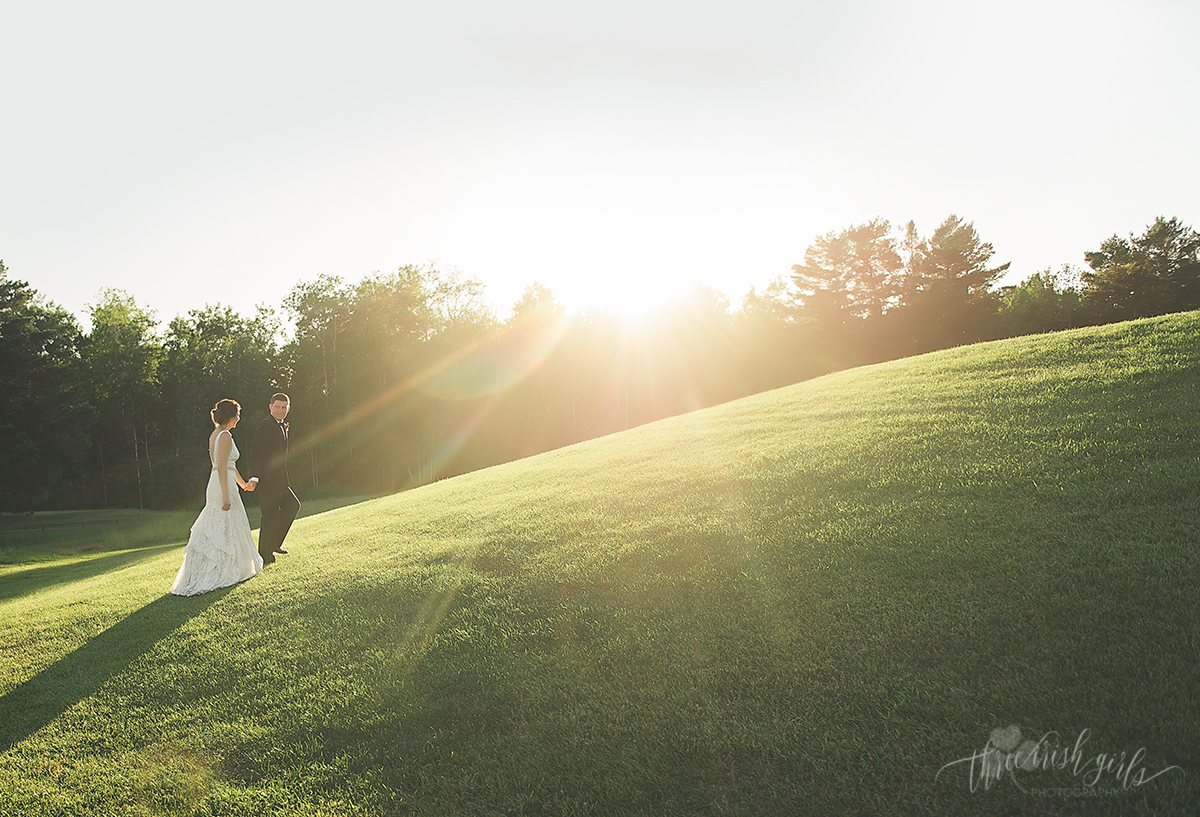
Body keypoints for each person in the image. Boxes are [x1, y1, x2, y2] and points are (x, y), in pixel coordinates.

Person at [170, 399, 263, 596]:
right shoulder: (225, 436)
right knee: (225, 523)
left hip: (221, 481)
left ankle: (225, 565)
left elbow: (229, 466)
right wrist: (226, 495)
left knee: (226, 526)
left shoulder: (215, 434)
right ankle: (222, 570)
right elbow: (221, 467)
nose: (239, 418)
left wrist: (243, 484)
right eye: (237, 414)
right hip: (222, 485)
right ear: (230, 417)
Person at [247, 392, 300, 565]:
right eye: (277, 407)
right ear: (270, 407)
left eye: (284, 407)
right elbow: (256, 453)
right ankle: (264, 555)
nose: (280, 410)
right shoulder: (266, 426)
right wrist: (254, 477)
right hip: (268, 481)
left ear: (288, 408)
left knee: (292, 505)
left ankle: (275, 543)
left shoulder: (281, 425)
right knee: (269, 515)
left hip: (280, 481)